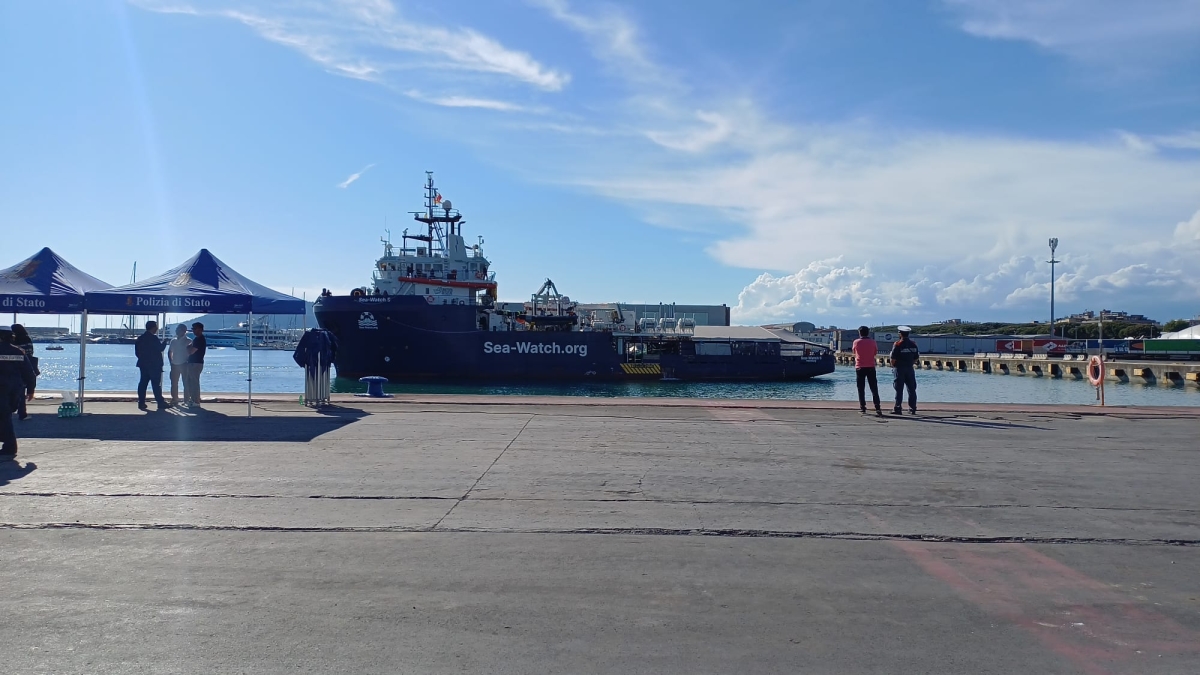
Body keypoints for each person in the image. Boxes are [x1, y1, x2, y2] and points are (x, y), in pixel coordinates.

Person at [0, 326, 37, 459]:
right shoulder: (19, 352)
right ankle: (9, 445)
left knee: (4, 418)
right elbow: (29, 373)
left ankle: (10, 446)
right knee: (6, 416)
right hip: (15, 390)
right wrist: (31, 390)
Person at [134, 320, 170, 411]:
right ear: (153, 328)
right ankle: (160, 402)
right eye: (156, 327)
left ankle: (141, 402)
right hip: (154, 365)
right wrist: (165, 342)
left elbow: (137, 352)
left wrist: (143, 359)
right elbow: (160, 348)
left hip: (143, 364)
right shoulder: (154, 338)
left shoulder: (140, 338)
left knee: (143, 383)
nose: (157, 329)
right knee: (156, 384)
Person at [889, 326, 920, 415]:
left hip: (899, 368)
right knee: (912, 389)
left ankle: (898, 408)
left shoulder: (897, 344)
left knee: (899, 389)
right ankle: (912, 408)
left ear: (900, 334)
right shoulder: (913, 344)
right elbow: (916, 358)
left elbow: (893, 358)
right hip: (910, 368)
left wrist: (893, 366)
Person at [852, 325, 882, 415]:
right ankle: (877, 407)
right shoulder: (873, 342)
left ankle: (863, 407)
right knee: (874, 388)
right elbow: (875, 353)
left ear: (859, 333)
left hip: (860, 366)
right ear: (868, 333)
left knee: (861, 388)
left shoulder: (856, 342)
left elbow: (854, 352)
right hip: (871, 366)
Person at [10, 324, 35, 421]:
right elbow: (30, 353)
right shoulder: (27, 339)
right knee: (22, 390)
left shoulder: (12, 342)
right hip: (25, 366)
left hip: (13, 368)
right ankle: (22, 413)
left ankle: (10, 410)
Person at [168, 324, 191, 405]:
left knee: (186, 383)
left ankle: (186, 400)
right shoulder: (173, 341)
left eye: (179, 329)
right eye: (177, 329)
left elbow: (191, 353)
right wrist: (171, 362)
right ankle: (174, 398)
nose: (177, 331)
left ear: (184, 331)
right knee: (174, 383)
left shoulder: (188, 341)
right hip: (174, 364)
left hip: (184, 364)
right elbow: (170, 352)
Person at [185, 322, 207, 406]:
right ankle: (193, 399)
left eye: (194, 328)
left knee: (194, 382)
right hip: (193, 362)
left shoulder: (199, 339)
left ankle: (196, 401)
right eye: (192, 329)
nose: (193, 330)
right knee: (190, 381)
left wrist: (188, 348)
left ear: (200, 329)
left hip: (196, 363)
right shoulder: (197, 339)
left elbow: (191, 351)